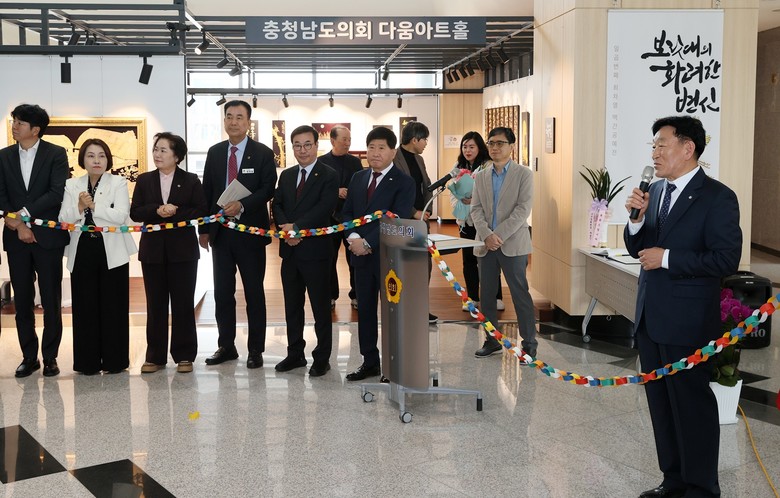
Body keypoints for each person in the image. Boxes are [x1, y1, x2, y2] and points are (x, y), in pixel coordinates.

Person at [624, 116, 741, 498]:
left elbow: (725, 259)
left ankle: (702, 488)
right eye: (653, 146)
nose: (655, 153)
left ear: (688, 148)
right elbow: (639, 249)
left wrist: (668, 258)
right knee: (661, 406)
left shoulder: (717, 197)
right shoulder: (657, 191)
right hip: (650, 317)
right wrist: (636, 221)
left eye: (662, 145)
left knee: (692, 407)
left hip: (687, 320)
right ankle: (673, 481)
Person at [199, 100, 278, 369]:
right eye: (229, 117)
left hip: (250, 234)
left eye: (239, 117)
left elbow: (268, 188)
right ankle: (226, 346)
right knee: (223, 293)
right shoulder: (215, 152)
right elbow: (207, 190)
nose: (233, 122)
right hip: (221, 233)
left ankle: (255, 349)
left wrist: (242, 205)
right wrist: (204, 230)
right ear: (224, 121)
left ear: (248, 122)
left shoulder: (263, 153)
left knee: (254, 293)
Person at [0, 104, 69, 378]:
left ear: (35, 129)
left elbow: (56, 192)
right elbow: (1, 194)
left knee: (51, 299)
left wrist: (24, 216)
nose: (14, 126)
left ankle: (50, 357)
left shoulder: (56, 154)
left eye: (20, 122)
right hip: (15, 237)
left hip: (48, 237)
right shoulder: (4, 156)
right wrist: (18, 225)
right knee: (23, 299)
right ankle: (29, 357)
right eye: (14, 121)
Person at [341, 126, 414, 381]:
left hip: (389, 257)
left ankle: (394, 365)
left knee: (392, 313)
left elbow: (398, 219)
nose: (375, 153)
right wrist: (353, 238)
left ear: (393, 151)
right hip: (360, 257)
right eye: (371, 147)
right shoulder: (358, 178)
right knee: (366, 311)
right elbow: (347, 212)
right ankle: (370, 361)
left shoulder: (404, 182)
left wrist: (368, 242)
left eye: (381, 148)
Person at [59, 138, 137, 374]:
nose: (96, 160)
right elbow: (64, 218)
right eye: (91, 155)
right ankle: (87, 363)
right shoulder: (72, 184)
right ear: (82, 159)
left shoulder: (118, 182)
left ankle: (115, 361)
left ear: (108, 159)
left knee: (114, 306)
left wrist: (93, 207)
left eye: (101, 155)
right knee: (85, 307)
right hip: (82, 248)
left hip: (112, 250)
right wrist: (79, 207)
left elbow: (121, 215)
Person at [131, 132, 207, 374]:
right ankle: (155, 356)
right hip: (152, 252)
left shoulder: (191, 180)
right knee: (155, 304)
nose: (157, 154)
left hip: (183, 251)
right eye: (156, 149)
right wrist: (157, 210)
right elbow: (136, 212)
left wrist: (174, 212)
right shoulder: (144, 180)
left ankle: (184, 355)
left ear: (177, 156)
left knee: (183, 303)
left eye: (163, 150)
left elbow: (201, 210)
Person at [272, 125, 339, 377]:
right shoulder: (287, 175)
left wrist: (297, 228)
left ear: (316, 146)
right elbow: (277, 204)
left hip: (316, 251)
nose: (302, 150)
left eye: (307, 144)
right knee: (292, 306)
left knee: (321, 307)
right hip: (290, 252)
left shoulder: (329, 175)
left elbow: (325, 207)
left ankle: (322, 357)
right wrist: (287, 230)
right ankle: (295, 354)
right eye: (297, 145)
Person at [470, 127, 537, 359]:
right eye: (491, 143)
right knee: (487, 296)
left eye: (500, 143)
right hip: (485, 244)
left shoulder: (524, 174)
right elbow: (475, 209)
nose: (495, 147)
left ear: (511, 146)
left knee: (520, 294)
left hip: (513, 244)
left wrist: (497, 235)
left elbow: (523, 210)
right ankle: (492, 340)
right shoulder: (481, 176)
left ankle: (529, 343)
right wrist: (486, 235)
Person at [447, 131, 504, 312]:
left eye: (472, 146)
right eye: (464, 147)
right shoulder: (458, 166)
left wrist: (474, 201)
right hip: (466, 221)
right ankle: (472, 297)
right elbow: (452, 191)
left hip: (485, 222)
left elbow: (493, 193)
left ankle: (496, 297)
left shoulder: (488, 166)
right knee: (469, 261)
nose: (468, 150)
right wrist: (460, 200)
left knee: (489, 260)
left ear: (480, 148)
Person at [393, 120, 437, 322]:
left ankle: (420, 308)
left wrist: (426, 211)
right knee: (403, 267)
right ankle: (402, 309)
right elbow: (394, 193)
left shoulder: (419, 159)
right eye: (424, 139)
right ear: (414, 139)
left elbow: (426, 186)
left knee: (423, 266)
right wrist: (413, 212)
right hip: (402, 222)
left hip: (421, 221)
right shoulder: (394, 158)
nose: (426, 143)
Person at [319, 125, 362, 310]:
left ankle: (357, 295)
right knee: (329, 258)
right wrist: (335, 191)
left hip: (351, 218)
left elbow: (361, 185)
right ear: (332, 141)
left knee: (355, 258)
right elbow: (317, 189)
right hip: (329, 219)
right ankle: (330, 295)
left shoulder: (355, 162)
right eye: (344, 139)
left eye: (349, 139)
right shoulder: (321, 162)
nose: (347, 143)